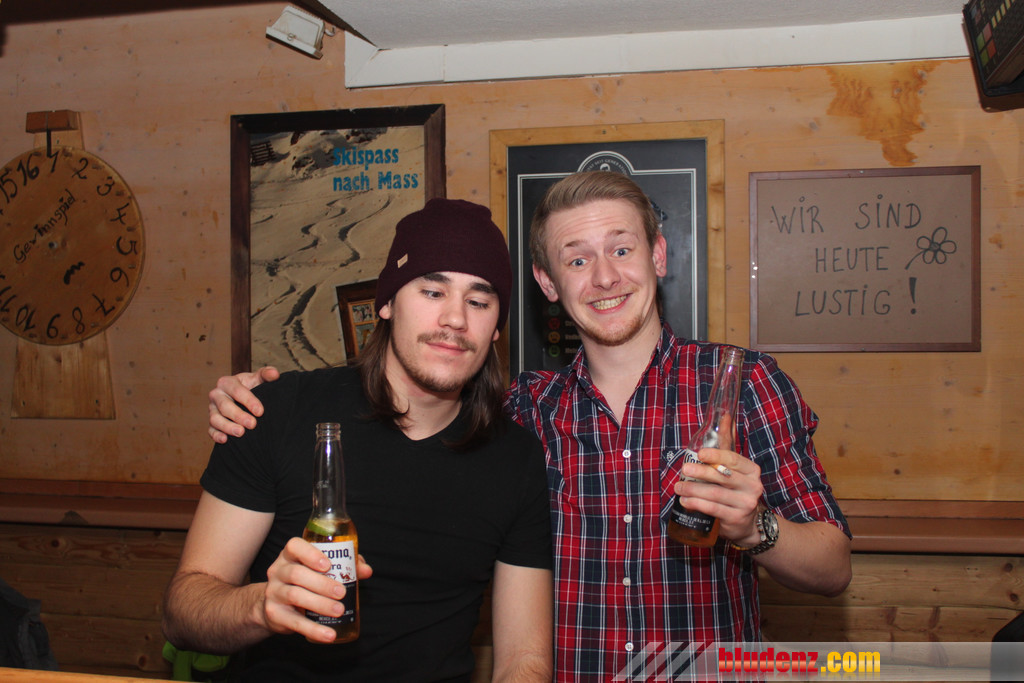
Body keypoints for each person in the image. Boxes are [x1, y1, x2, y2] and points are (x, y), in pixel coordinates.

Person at [206, 172, 853, 681]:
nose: (605, 276)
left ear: (657, 255)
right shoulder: (519, 412)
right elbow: (410, 390)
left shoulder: (742, 385)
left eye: (621, 248)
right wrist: (259, 396)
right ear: (546, 282)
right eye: (577, 260)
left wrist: (755, 527)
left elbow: (833, 566)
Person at [163, 198, 554, 682]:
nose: (456, 318)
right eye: (433, 291)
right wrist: (262, 606)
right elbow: (184, 612)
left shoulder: (515, 459)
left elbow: (524, 660)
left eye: (478, 301)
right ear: (385, 303)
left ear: (496, 327)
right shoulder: (276, 411)